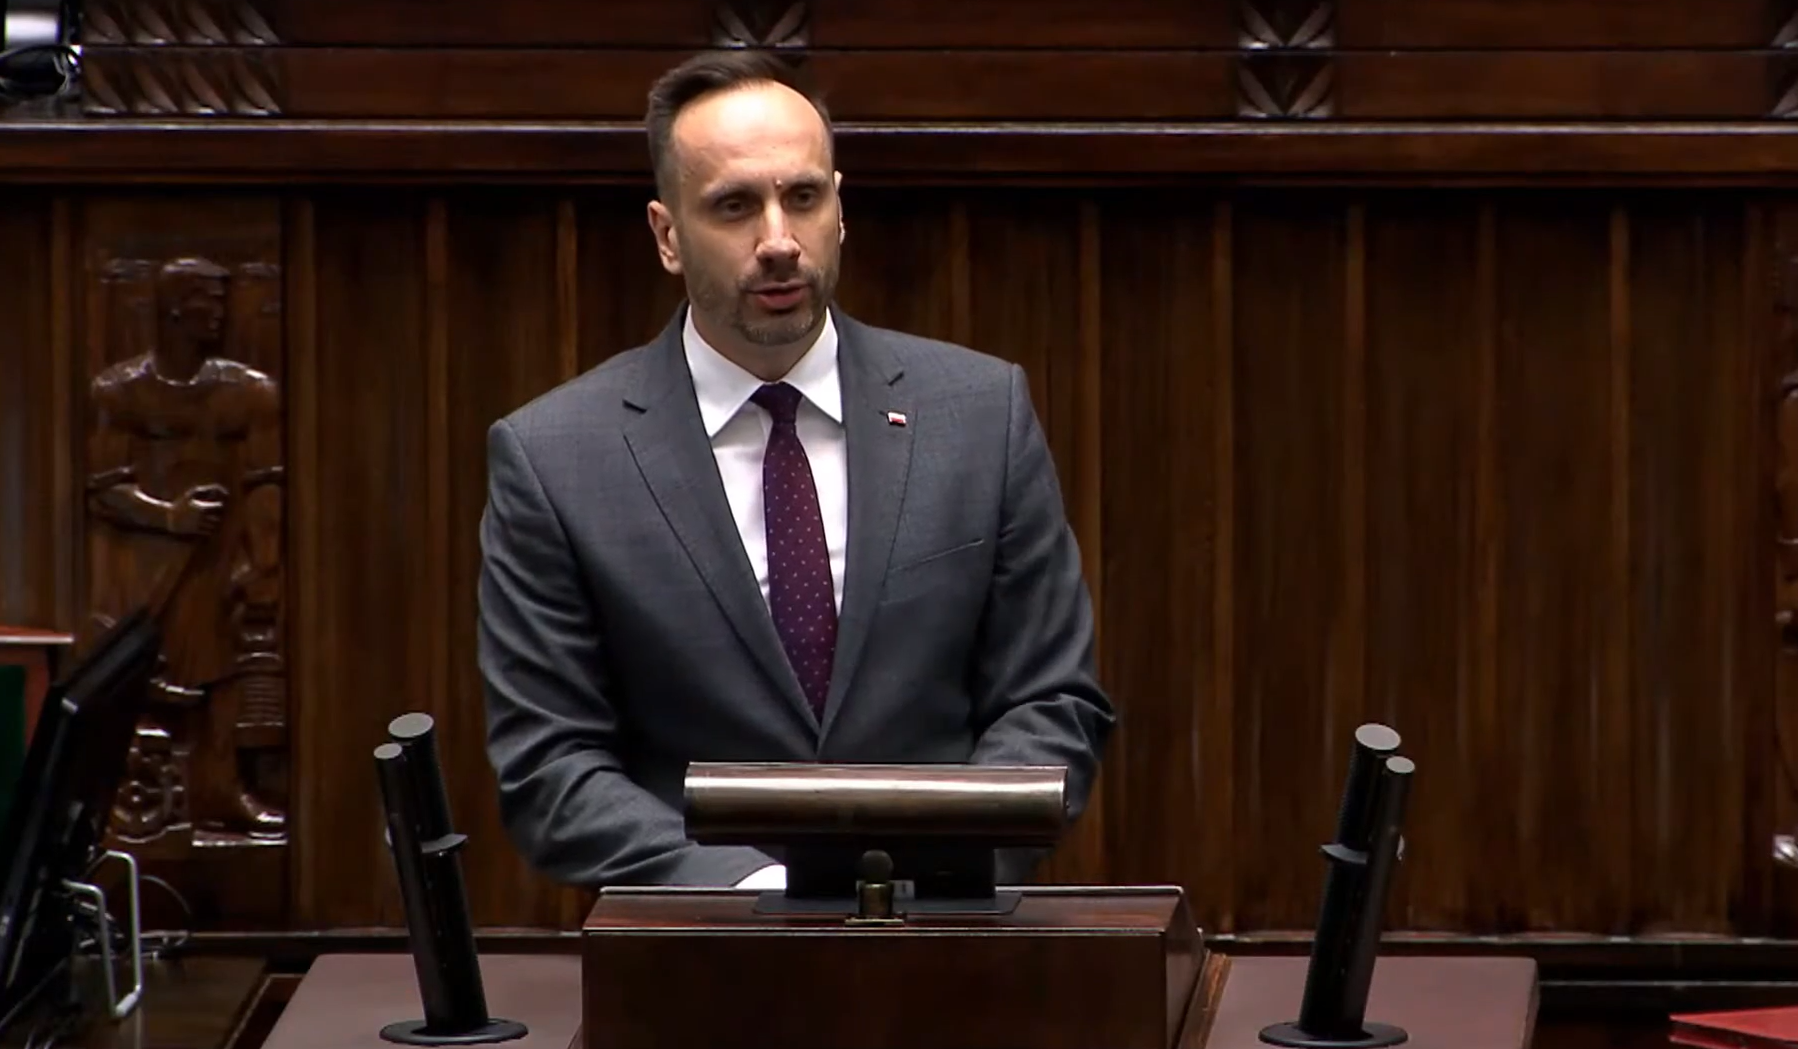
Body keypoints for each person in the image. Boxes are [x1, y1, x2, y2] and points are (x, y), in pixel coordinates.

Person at [477, 49, 1114, 890]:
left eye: (804, 198)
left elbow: (1052, 699)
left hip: (945, 929)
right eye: (734, 205)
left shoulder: (980, 414)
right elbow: (550, 763)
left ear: (839, 211)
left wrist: (928, 875)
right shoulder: (556, 458)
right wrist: (758, 895)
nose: (778, 241)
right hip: (700, 944)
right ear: (667, 236)